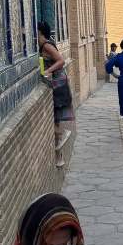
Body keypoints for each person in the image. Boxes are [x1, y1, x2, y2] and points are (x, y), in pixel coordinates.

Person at [38, 22, 74, 165]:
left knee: (55, 120)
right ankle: (60, 157)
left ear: (39, 32)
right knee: (56, 120)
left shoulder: (46, 46)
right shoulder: (43, 45)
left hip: (58, 85)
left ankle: (60, 150)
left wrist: (47, 71)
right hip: (57, 84)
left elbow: (60, 61)